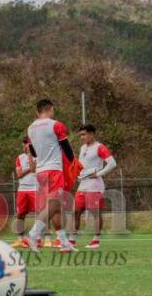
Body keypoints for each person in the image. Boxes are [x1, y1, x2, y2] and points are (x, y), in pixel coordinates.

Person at [26, 99, 76, 253]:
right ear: (51, 109)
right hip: (54, 170)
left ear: (37, 111)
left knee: (57, 208)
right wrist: (74, 163)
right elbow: (67, 149)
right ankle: (33, 234)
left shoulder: (30, 128)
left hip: (40, 172)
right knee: (54, 205)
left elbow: (33, 152)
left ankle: (64, 243)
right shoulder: (56, 124)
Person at [73, 124, 117, 249]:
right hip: (83, 184)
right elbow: (82, 165)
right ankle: (72, 241)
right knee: (76, 212)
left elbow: (112, 163)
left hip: (94, 185)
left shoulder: (100, 147)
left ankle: (96, 240)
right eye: (80, 135)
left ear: (91, 134)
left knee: (95, 213)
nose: (82, 137)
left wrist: (98, 174)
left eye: (84, 134)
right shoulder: (83, 148)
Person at [12, 138, 38, 248]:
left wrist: (31, 164)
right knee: (20, 214)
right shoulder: (19, 158)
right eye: (24, 145)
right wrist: (30, 168)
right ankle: (20, 239)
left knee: (40, 214)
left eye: (27, 145)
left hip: (36, 188)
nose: (25, 147)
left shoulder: (38, 157)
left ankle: (40, 238)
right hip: (22, 189)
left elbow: (35, 170)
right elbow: (19, 174)